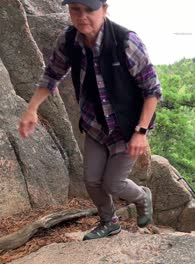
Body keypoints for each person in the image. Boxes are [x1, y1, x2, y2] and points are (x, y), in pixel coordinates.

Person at [18, 0, 162, 241]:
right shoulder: (69, 40)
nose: (82, 16)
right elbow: (52, 74)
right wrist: (32, 109)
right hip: (95, 125)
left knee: (113, 184)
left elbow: (152, 91)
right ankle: (110, 221)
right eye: (75, 9)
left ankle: (141, 196)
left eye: (89, 9)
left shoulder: (126, 41)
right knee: (92, 180)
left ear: (105, 10)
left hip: (128, 127)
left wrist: (141, 131)